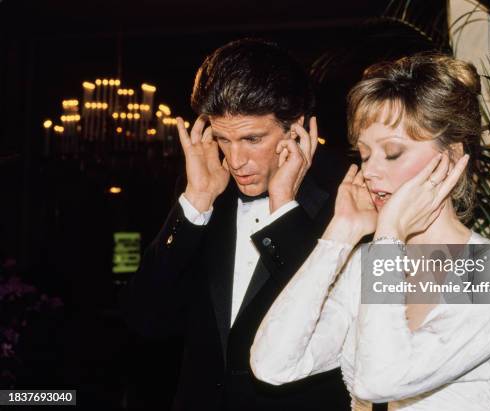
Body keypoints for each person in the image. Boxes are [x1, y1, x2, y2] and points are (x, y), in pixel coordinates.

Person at [250, 54, 490, 410]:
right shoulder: (365, 264)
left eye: (392, 153)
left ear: (449, 157)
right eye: (365, 154)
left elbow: (380, 380)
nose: (369, 171)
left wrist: (389, 235)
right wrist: (340, 234)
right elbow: (272, 365)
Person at [119, 38, 350, 411]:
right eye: (223, 138)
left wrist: (283, 208)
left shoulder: (349, 190)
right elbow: (145, 317)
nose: (236, 158)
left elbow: (341, 323)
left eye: (252, 138)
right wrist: (195, 204)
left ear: (295, 127)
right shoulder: (207, 186)